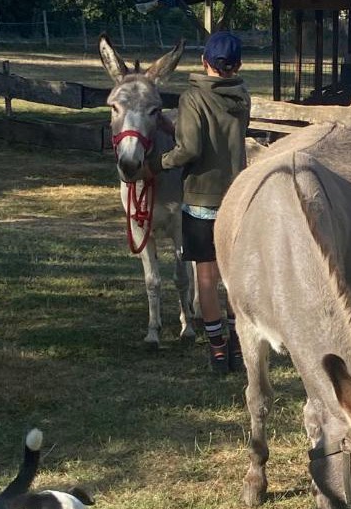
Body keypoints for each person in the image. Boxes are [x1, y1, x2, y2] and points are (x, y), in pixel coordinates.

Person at [146, 30, 251, 373]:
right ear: (237, 65)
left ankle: (218, 350)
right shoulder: (242, 95)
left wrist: (158, 163)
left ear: (204, 61)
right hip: (237, 195)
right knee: (234, 277)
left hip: (202, 196)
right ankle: (237, 342)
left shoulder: (192, 98)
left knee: (206, 276)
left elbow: (190, 149)